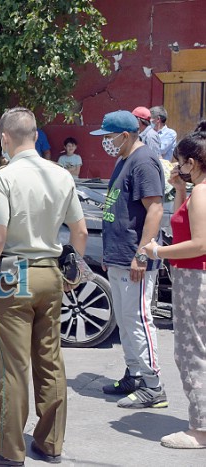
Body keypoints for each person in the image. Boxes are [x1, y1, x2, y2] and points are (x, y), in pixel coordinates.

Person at [0, 107, 88, 466]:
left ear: (5, 139)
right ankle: (50, 444)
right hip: (50, 272)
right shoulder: (62, 175)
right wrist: (73, 273)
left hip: (13, 276)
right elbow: (79, 232)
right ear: (35, 135)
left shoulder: (2, 178)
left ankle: (8, 451)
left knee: (14, 367)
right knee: (50, 361)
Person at [90, 110, 168, 409]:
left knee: (138, 320)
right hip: (119, 255)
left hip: (135, 256)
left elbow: (155, 210)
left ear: (125, 135)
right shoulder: (124, 159)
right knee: (125, 320)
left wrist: (141, 254)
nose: (105, 143)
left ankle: (154, 385)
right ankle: (134, 374)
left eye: (108, 137)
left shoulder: (144, 161)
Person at [143, 122, 206, 449]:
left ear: (191, 164)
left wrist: (158, 251)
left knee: (191, 352)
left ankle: (200, 429)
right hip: (194, 277)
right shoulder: (197, 193)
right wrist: (181, 189)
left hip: (195, 279)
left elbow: (199, 244)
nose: (178, 167)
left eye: (180, 162)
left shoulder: (202, 195)